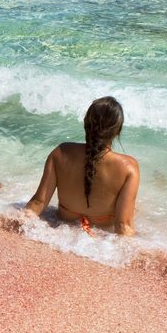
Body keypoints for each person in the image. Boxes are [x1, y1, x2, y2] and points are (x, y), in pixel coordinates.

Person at [23, 96, 140, 235]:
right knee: (136, 209)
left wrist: (21, 225)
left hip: (60, 232)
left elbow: (38, 203)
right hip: (100, 240)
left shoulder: (61, 153)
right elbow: (122, 225)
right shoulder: (128, 168)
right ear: (118, 131)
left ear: (85, 122)